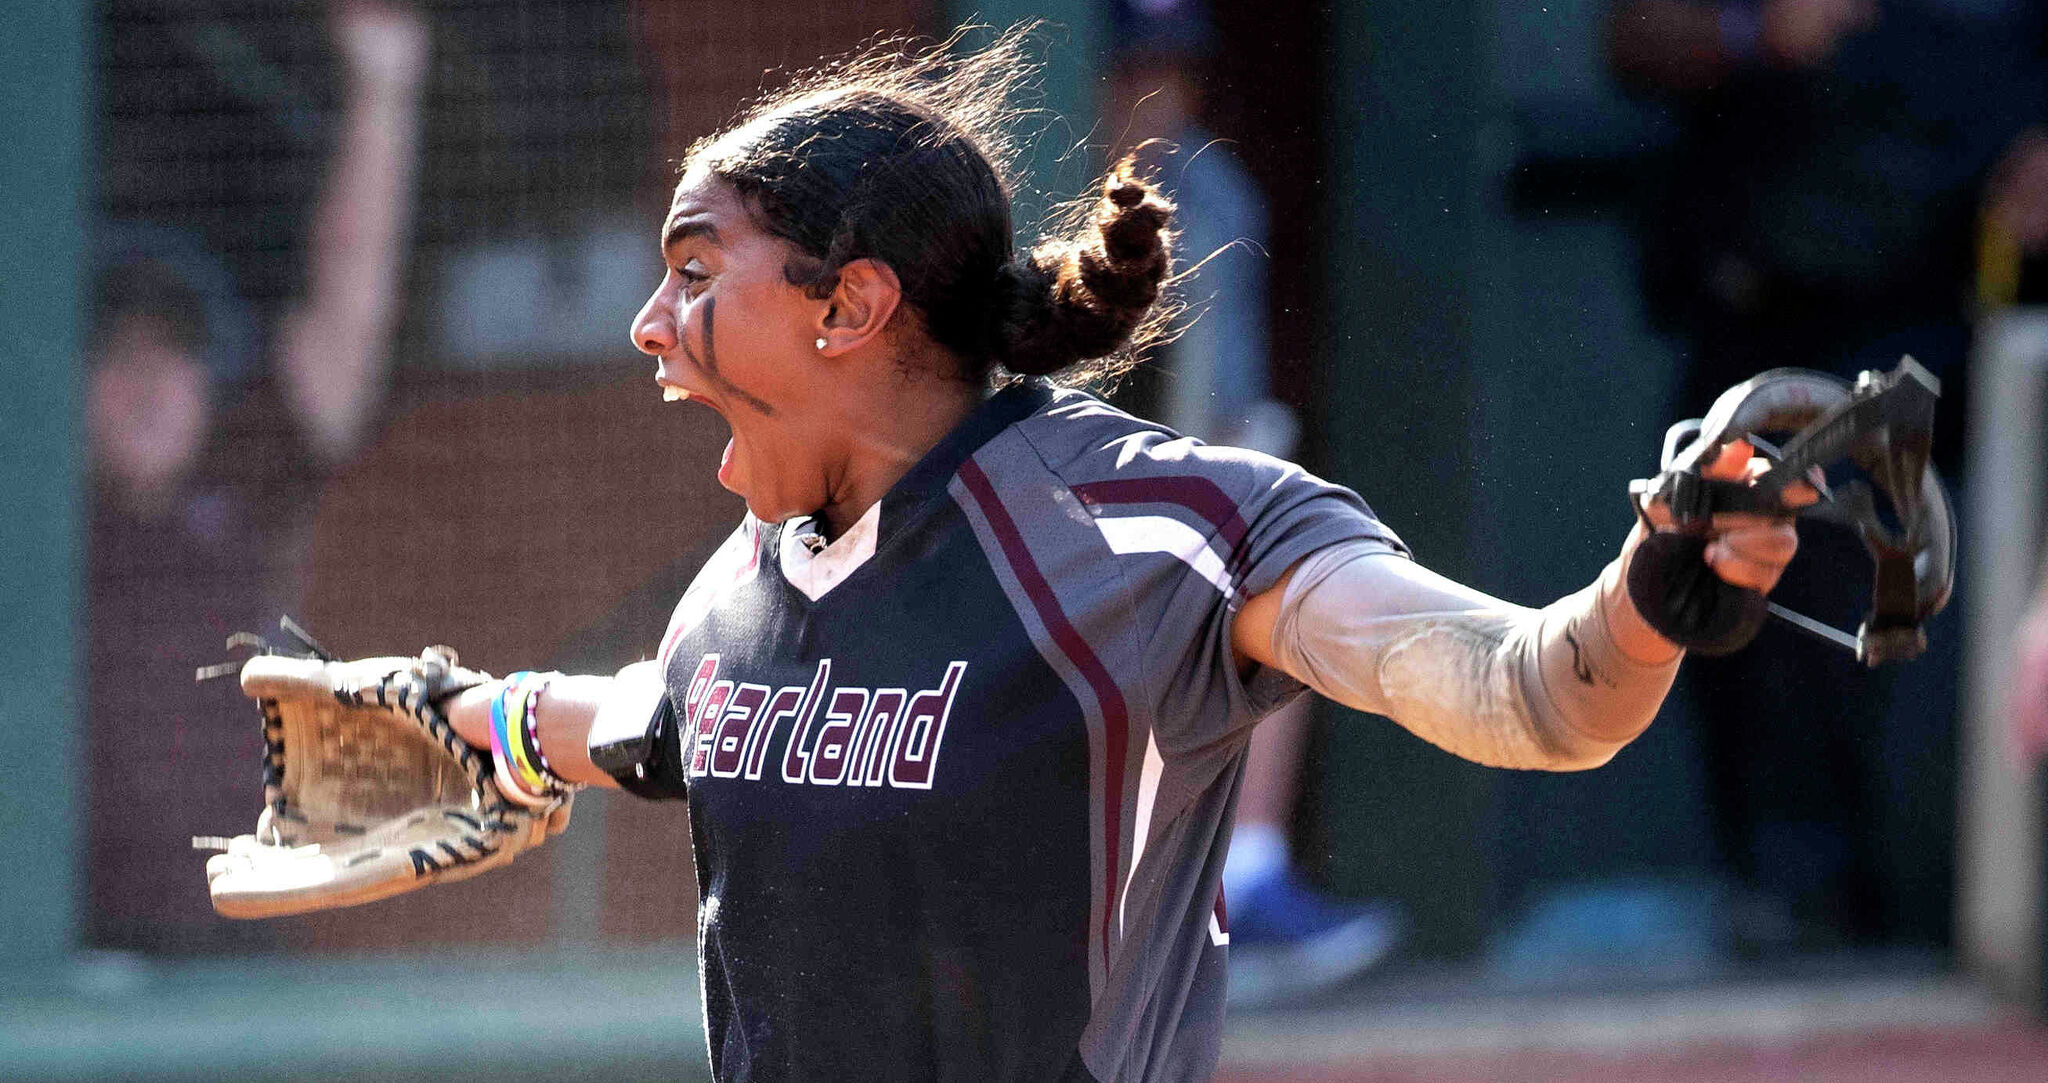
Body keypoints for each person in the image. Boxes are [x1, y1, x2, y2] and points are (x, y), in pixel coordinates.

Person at [404, 29, 1805, 1081]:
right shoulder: (739, 590)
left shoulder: (1151, 529)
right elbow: (671, 721)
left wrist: (1650, 594)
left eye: (697, 270)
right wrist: (470, 718)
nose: (651, 321)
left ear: (853, 305)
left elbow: (1532, 691)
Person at [1607, 0, 2048, 953]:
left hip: (1960, 319)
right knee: (1733, 599)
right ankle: (1799, 894)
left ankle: (1939, 901)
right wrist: (1755, 35)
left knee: (1942, 622)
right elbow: (1634, 37)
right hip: (1765, 312)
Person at [86, 0, 427, 954]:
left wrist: (383, 79)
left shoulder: (250, 473)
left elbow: (349, 305)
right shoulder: (39, 512)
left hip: (240, 946)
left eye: (175, 351)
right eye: (114, 355)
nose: (147, 381)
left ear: (211, 379)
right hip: (61, 953)